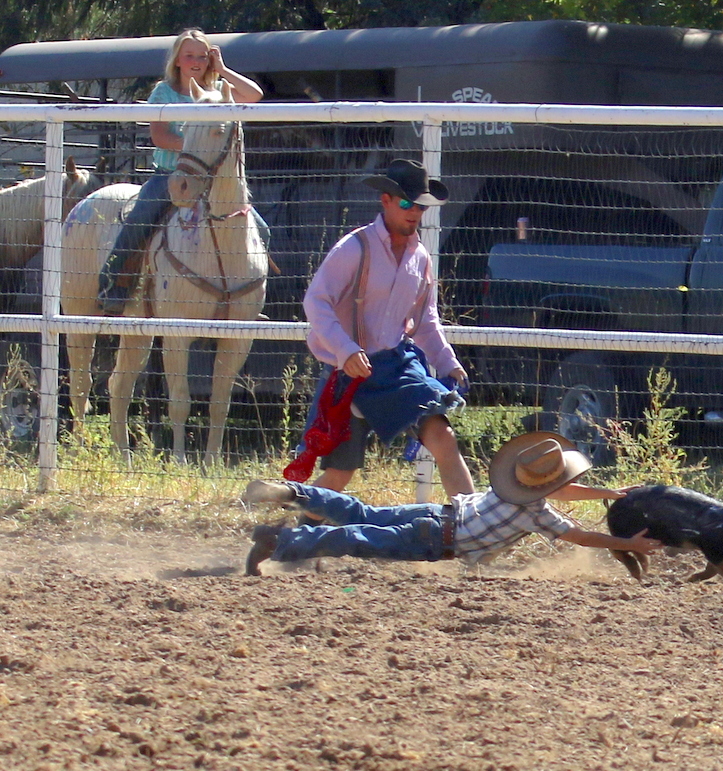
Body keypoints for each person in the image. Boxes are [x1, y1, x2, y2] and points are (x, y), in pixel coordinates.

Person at [293, 158, 474, 497]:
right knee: (337, 475)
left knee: (443, 438)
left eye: (419, 205)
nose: (414, 212)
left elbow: (425, 321)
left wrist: (448, 362)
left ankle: (474, 529)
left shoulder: (420, 257)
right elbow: (315, 302)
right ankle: (290, 536)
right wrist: (345, 350)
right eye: (406, 203)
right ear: (385, 201)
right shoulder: (354, 248)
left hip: (396, 369)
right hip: (347, 375)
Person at [244, 431, 661, 576]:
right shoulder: (534, 511)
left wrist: (609, 495)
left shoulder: (512, 482)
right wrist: (631, 544)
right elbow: (582, 537)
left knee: (362, 513)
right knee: (357, 538)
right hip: (437, 538)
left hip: (441, 512)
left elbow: (558, 491)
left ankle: (293, 492)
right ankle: (278, 543)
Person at [98, 28, 265, 315]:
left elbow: (255, 95)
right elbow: (160, 137)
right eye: (189, 56)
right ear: (177, 60)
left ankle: (248, 299)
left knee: (261, 229)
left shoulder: (219, 93)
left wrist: (223, 70)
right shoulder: (163, 92)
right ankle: (113, 285)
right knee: (140, 218)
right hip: (170, 174)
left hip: (213, 182)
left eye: (202, 56)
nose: (196, 61)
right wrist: (195, 148)